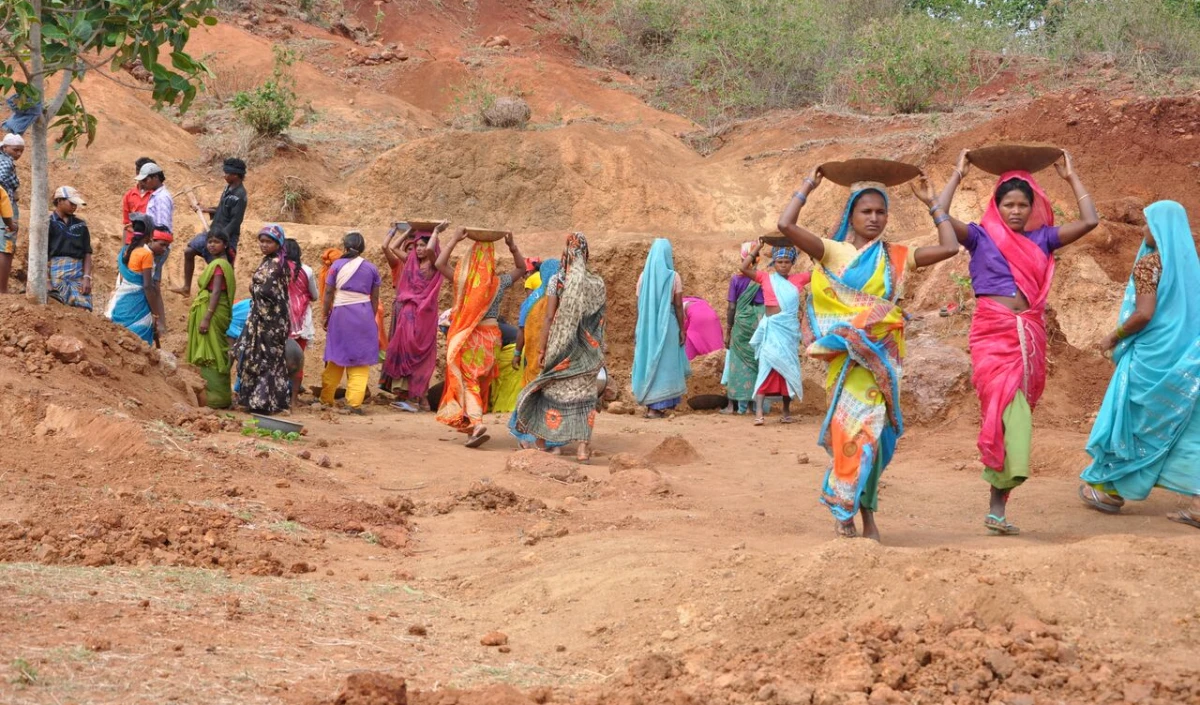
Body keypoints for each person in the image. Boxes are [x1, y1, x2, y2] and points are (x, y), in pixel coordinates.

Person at [778, 168, 960, 541]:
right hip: (847, 361)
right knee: (851, 435)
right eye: (866, 212)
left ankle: (868, 514)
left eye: (881, 212)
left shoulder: (895, 255)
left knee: (874, 439)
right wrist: (807, 186)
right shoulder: (833, 250)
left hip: (882, 361)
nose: (874, 218)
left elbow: (949, 247)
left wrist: (933, 205)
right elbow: (785, 224)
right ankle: (847, 510)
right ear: (852, 215)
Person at [938, 150, 1099, 535]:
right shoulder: (978, 236)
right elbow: (939, 215)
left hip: (1029, 336)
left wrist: (1071, 176)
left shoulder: (1043, 239)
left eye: (1022, 205)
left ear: (1032, 207)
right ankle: (998, 500)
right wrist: (957, 175)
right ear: (996, 205)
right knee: (1001, 411)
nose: (1015, 211)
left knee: (1017, 418)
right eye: (1008, 204)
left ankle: (998, 506)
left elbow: (1090, 220)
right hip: (992, 335)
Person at [1078, 201, 1200, 529]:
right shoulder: (1191, 266)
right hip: (1189, 359)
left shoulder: (1150, 265)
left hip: (1151, 357)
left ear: (1159, 229)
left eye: (1147, 224)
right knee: (1188, 428)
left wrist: (1113, 336)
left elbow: (1144, 314)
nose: (1143, 230)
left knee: (1130, 420)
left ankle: (1109, 491)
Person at [513, 233, 607, 462]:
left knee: (548, 392)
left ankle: (542, 443)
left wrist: (543, 349)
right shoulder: (596, 283)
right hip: (588, 352)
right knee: (585, 399)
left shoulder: (557, 281)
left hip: (560, 349)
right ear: (586, 252)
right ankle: (583, 449)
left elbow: (549, 318)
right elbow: (601, 322)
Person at [435, 228, 527, 448]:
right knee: (479, 383)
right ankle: (471, 430)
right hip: (493, 338)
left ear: (471, 258)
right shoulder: (499, 282)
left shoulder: (464, 280)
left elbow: (439, 264)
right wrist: (512, 247)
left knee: (469, 382)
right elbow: (522, 268)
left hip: (471, 337)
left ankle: (476, 423)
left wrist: (454, 240)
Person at [738, 244, 812, 425]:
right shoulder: (765, 278)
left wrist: (809, 249)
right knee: (765, 367)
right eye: (779, 261)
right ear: (774, 263)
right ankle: (759, 413)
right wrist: (757, 248)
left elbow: (821, 271)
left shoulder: (799, 279)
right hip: (772, 330)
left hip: (788, 331)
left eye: (787, 262)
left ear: (792, 263)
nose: (783, 265)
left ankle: (786, 412)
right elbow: (743, 268)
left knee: (788, 369)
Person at [382, 225, 445, 411]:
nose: (419, 249)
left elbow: (433, 249)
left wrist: (435, 232)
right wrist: (407, 233)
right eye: (417, 245)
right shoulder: (410, 260)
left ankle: (421, 398)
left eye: (422, 245)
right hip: (407, 313)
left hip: (425, 313)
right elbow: (393, 248)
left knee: (421, 356)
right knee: (405, 352)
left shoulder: (433, 262)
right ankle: (414, 398)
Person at [232, 224, 292, 415]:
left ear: (278, 243)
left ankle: (263, 402)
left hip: (270, 322)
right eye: (262, 241)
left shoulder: (276, 264)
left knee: (266, 359)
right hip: (261, 319)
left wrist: (256, 289)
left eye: (269, 242)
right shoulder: (269, 261)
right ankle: (257, 400)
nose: (264, 245)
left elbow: (269, 291)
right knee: (257, 357)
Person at [320, 231, 382, 415]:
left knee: (336, 356)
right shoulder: (371, 268)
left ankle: (326, 399)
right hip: (363, 315)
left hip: (340, 315)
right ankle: (354, 404)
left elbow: (329, 294)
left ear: (345, 246)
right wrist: (369, 319)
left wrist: (325, 315)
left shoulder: (336, 266)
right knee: (360, 361)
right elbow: (375, 298)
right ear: (362, 248)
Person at [173, 157, 248, 295]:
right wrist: (206, 209)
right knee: (189, 251)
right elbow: (221, 208)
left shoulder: (240, 196)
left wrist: (221, 239)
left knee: (222, 267)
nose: (224, 175)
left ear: (235, 175)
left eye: (226, 173)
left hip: (226, 236)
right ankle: (186, 288)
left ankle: (223, 295)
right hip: (214, 231)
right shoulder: (228, 188)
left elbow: (235, 221)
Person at [632, 238, 689, 418]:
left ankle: (652, 406)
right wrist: (682, 328)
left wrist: (641, 327)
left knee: (650, 361)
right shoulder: (673, 277)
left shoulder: (643, 277)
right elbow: (679, 305)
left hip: (647, 327)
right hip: (668, 326)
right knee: (667, 364)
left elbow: (640, 304)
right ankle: (662, 405)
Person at [186, 231, 236, 408]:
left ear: (225, 245)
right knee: (214, 351)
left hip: (212, 313)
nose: (212, 245)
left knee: (210, 354)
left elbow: (216, 292)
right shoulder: (223, 264)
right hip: (213, 311)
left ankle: (214, 398)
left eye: (216, 242)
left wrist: (207, 317)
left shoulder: (219, 266)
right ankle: (217, 396)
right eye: (209, 242)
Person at [106, 218, 171, 344]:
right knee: (138, 341)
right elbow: (147, 287)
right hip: (137, 304)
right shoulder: (146, 255)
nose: (164, 250)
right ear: (151, 237)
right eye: (162, 245)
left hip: (121, 301)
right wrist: (156, 315)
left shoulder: (126, 251)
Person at [722, 242, 766, 415]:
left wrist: (728, 330)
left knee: (737, 363)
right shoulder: (761, 278)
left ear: (742, 258)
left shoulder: (736, 279)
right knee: (755, 361)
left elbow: (732, 307)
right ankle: (750, 406)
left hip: (741, 323)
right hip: (758, 323)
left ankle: (732, 406)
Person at [46, 186, 93, 310]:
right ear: (59, 201)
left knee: (83, 310)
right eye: (71, 203)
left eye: (75, 204)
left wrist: (87, 277)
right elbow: (42, 254)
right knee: (59, 310)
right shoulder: (48, 222)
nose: (74, 206)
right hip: (56, 276)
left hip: (77, 275)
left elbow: (87, 253)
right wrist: (46, 280)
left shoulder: (81, 225)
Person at [284, 238, 318, 403]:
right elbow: (315, 295)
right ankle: (294, 400)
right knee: (298, 361)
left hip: (281, 320)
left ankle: (278, 394)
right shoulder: (307, 270)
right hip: (302, 321)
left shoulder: (276, 268)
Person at [135, 162, 174, 289]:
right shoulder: (156, 195)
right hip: (155, 242)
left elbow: (162, 226)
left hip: (158, 243)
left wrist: (154, 244)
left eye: (145, 180)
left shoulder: (162, 197)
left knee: (150, 281)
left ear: (155, 178)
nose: (142, 183)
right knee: (153, 279)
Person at [0, 133, 24, 293]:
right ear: (4, 148)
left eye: (21, 151)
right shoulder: (6, 162)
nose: (19, 154)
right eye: (16, 150)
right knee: (6, 247)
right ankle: (2, 290)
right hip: (5, 207)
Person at [490, 319, 523, 413]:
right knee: (512, 381)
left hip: (513, 351)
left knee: (502, 379)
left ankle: (504, 407)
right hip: (519, 350)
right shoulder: (503, 326)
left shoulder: (492, 328)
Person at [121, 157, 157, 243]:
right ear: (137, 173)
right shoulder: (129, 196)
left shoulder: (157, 196)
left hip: (150, 242)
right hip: (131, 242)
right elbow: (126, 223)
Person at [682, 296, 723, 361]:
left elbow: (680, 328)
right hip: (712, 316)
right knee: (714, 343)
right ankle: (720, 361)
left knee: (691, 342)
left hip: (698, 318)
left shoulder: (675, 305)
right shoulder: (692, 299)